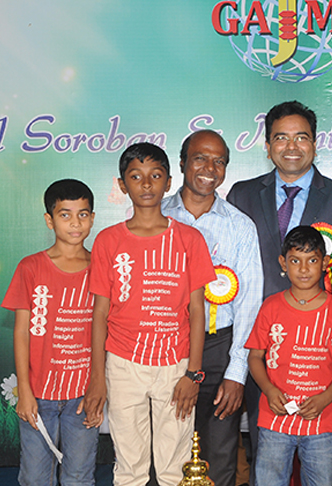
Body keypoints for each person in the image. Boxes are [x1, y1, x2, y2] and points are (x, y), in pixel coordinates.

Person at [227, 100, 332, 467]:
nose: (291, 146)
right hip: (260, 346)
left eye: (301, 137)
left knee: (320, 461)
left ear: (315, 144)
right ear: (267, 145)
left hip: (319, 356)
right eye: (281, 138)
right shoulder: (241, 195)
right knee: (264, 455)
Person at [83, 142, 216, 486]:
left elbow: (197, 310)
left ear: (168, 182)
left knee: (176, 466)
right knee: (130, 466)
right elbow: (100, 312)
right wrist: (98, 376)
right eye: (136, 176)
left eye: (155, 176)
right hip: (123, 364)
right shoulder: (108, 241)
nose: (146, 184)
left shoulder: (189, 239)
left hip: (176, 366)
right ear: (122, 184)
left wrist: (193, 374)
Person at [161, 130, 263, 486]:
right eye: (200, 158)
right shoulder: (155, 216)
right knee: (164, 449)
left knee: (219, 454)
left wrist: (237, 372)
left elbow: (250, 303)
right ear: (182, 163)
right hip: (165, 346)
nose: (210, 168)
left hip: (220, 347)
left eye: (219, 161)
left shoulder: (240, 226)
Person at [2, 179, 99, 486]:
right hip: (38, 394)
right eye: (65, 214)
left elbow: (108, 331)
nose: (75, 223)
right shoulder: (30, 267)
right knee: (35, 477)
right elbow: (21, 332)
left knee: (79, 476)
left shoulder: (101, 268)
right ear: (49, 220)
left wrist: (99, 387)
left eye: (82, 214)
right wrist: (24, 390)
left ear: (92, 218)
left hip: (83, 395)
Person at [245, 225, 332, 486]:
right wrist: (268, 389)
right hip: (275, 421)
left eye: (312, 260)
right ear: (283, 263)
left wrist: (326, 397)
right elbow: (255, 357)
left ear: (325, 263)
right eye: (295, 261)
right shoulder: (271, 306)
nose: (303, 269)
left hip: (321, 422)